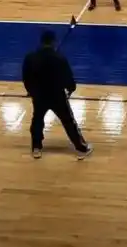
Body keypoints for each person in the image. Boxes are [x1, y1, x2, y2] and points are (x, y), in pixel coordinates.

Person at [22, 30, 93, 160]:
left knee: (37, 120)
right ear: (54, 42)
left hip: (39, 96)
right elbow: (68, 77)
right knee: (68, 121)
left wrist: (31, 91)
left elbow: (26, 77)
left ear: (41, 41)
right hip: (57, 95)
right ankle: (80, 148)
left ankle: (36, 147)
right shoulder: (60, 58)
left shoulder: (30, 57)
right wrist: (71, 89)